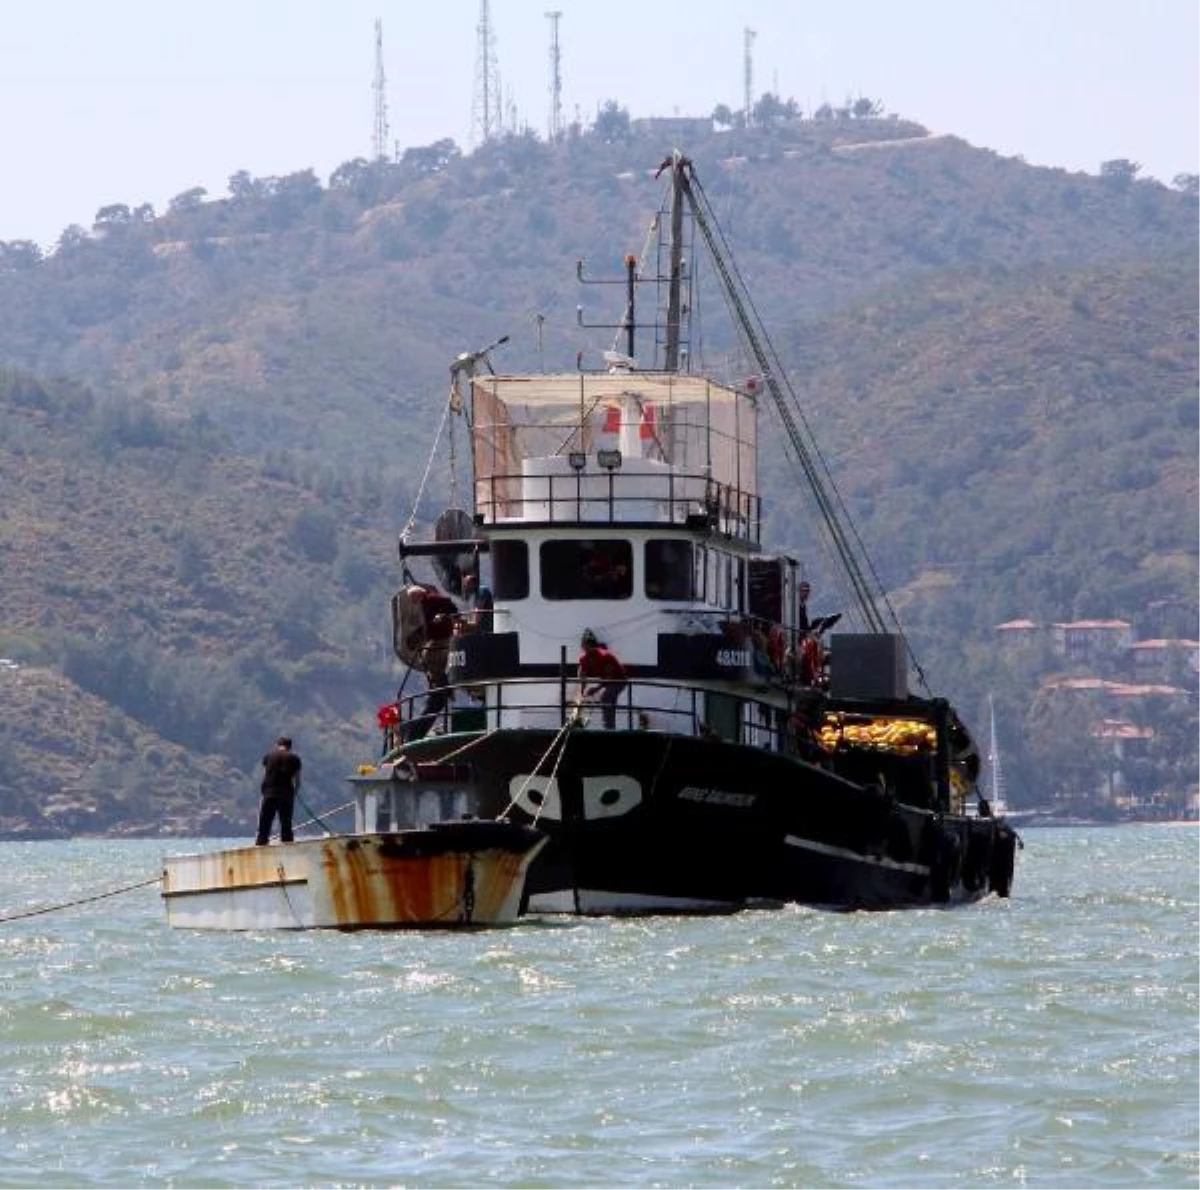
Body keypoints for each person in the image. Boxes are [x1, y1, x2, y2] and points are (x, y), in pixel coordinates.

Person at [577, 628, 628, 729]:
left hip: (619, 681)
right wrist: (582, 693)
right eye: (583, 645)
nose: (584, 648)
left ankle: (609, 727)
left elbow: (609, 678)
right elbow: (583, 675)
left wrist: (596, 689)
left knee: (606, 696)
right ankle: (608, 725)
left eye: (587, 646)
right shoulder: (584, 659)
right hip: (608, 680)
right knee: (608, 700)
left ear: (592, 646)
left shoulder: (606, 656)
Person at [256, 735, 302, 846]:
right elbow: (298, 780)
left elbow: (265, 776)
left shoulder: (269, 756)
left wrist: (263, 792)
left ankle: (261, 844)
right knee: (286, 824)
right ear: (290, 747)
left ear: (278, 745)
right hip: (286, 794)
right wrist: (294, 793)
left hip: (269, 793)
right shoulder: (295, 758)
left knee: (265, 822)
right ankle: (288, 847)